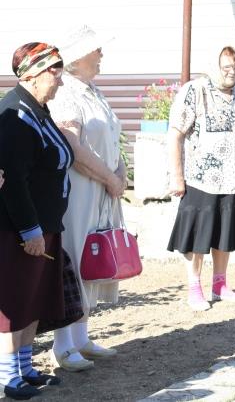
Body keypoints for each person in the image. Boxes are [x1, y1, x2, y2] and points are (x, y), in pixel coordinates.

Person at [47, 26, 127, 371]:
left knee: (94, 258)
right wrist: (110, 177)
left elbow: (111, 138)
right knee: (77, 255)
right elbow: (74, 148)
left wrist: (121, 172)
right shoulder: (66, 94)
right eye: (96, 50)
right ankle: (63, 344)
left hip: (103, 189)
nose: (101, 55)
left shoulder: (94, 92)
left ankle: (81, 336)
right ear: (78, 57)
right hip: (80, 190)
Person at [0, 43, 72, 399]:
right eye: (54, 72)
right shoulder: (15, 114)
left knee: (33, 299)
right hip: (22, 228)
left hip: (46, 223)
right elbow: (13, 180)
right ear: (32, 74)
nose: (60, 79)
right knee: (16, 300)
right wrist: (30, 230)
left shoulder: (37, 109)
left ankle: (25, 367)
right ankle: (6, 376)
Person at [167, 46, 235, 311]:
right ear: (213, 67)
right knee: (198, 236)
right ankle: (194, 287)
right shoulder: (196, 91)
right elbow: (175, 134)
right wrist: (177, 176)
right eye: (226, 68)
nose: (232, 73)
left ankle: (220, 285)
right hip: (201, 179)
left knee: (225, 233)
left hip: (232, 178)